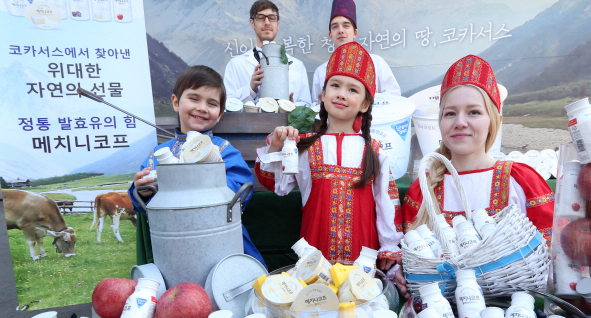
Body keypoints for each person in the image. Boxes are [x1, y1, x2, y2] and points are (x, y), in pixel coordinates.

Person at [254, 42, 403, 268]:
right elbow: (277, 185)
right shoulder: (305, 147)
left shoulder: (374, 151)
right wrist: (277, 146)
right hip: (314, 263)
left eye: (352, 89)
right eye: (335, 85)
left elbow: (387, 205)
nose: (342, 94)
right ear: (322, 95)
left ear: (364, 104)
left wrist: (389, 250)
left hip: (362, 266)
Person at [402, 54, 554, 243]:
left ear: (494, 122)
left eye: (474, 112)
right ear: (440, 122)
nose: (460, 122)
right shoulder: (423, 190)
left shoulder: (521, 181)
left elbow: (550, 252)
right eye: (450, 113)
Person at [129, 65, 265, 265]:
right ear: (175, 102)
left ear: (219, 114)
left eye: (211, 103)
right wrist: (141, 191)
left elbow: (242, 191)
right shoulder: (157, 156)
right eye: (194, 98)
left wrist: (204, 178)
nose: (202, 108)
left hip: (222, 237)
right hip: (174, 243)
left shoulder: (223, 150)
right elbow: (142, 204)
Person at [310, 0, 401, 104]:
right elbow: (315, 107)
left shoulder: (376, 62)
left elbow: (395, 96)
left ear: (355, 32)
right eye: (335, 26)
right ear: (330, 35)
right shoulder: (321, 72)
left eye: (346, 25)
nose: (340, 30)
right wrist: (319, 103)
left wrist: (374, 98)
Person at [223, 0, 311, 105]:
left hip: (285, 121)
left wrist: (290, 106)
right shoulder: (236, 65)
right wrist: (250, 89)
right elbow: (226, 105)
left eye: (272, 18)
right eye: (261, 18)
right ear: (252, 23)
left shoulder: (297, 66)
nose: (267, 22)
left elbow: (306, 105)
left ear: (278, 24)